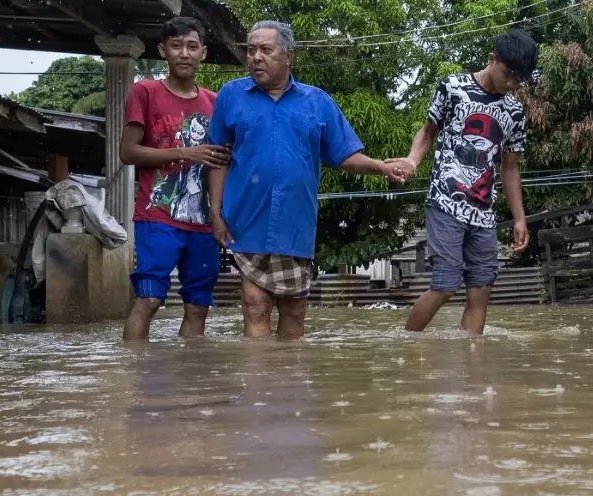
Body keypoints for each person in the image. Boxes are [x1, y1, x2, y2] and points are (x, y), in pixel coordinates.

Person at [208, 20, 407, 340]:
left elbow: (344, 156)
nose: (256, 57)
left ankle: (288, 385)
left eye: (266, 50)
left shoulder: (317, 101)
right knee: (254, 304)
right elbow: (217, 158)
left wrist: (380, 167)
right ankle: (258, 390)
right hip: (245, 220)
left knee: (294, 310)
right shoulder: (232, 95)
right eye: (251, 50)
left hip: (294, 222)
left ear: (288, 56)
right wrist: (215, 213)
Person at [387, 30, 538, 335]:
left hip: (484, 212)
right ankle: (406, 345)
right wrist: (413, 161)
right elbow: (427, 132)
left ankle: (473, 367)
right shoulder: (453, 88)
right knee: (445, 285)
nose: (511, 84)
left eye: (518, 80)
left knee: (481, 290)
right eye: (508, 74)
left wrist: (520, 219)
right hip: (446, 201)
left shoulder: (514, 112)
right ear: (492, 59)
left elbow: (510, 169)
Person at [119, 16, 231, 341]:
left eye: (192, 46)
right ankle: (135, 380)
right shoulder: (145, 92)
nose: (184, 53)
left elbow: (220, 162)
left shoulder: (216, 103)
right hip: (158, 215)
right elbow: (128, 152)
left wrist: (217, 216)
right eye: (176, 45)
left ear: (204, 53)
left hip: (202, 221)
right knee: (150, 299)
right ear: (162, 50)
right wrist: (185, 153)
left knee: (198, 306)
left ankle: (190, 384)